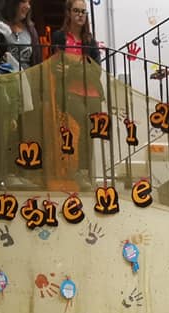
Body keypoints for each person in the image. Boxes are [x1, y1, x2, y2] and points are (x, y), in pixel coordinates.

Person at [50, 0, 103, 185]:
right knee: (84, 122)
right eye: (76, 11)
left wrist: (72, 67)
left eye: (83, 12)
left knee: (90, 128)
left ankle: (85, 172)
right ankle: (81, 171)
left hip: (92, 92)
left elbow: (96, 70)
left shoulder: (90, 41)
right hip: (69, 92)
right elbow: (56, 67)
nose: (80, 15)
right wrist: (80, 66)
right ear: (69, 13)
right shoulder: (59, 37)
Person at [0, 0, 41, 71]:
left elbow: (37, 61)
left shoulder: (30, 29)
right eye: (23, 1)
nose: (28, 6)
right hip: (1, 75)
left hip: (27, 76)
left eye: (29, 2)